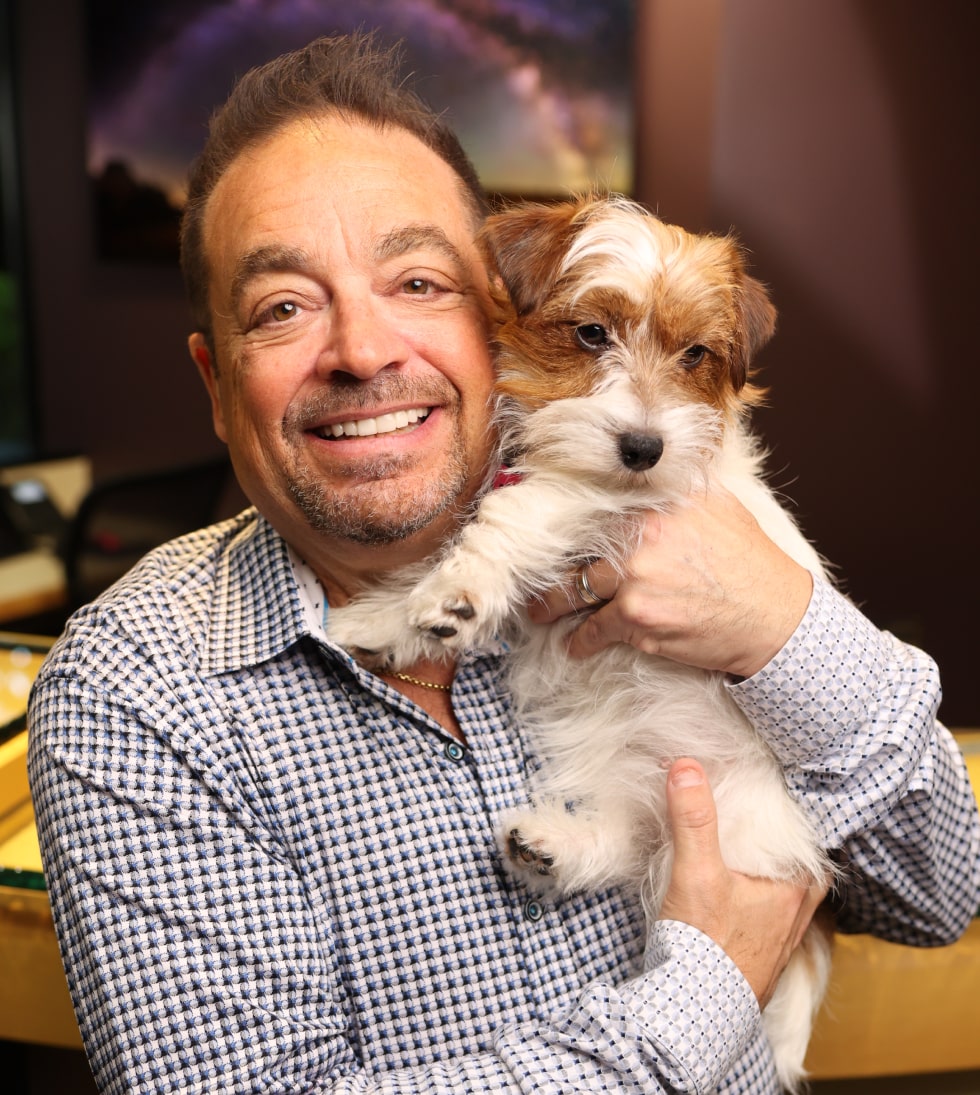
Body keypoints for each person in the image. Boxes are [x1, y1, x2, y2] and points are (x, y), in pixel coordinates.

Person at [28, 33, 979, 1095]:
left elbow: (940, 890)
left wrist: (782, 627)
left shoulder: (672, 537)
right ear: (215, 379)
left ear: (494, 315)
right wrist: (707, 986)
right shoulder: (142, 692)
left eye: (418, 281)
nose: (363, 350)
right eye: (282, 306)